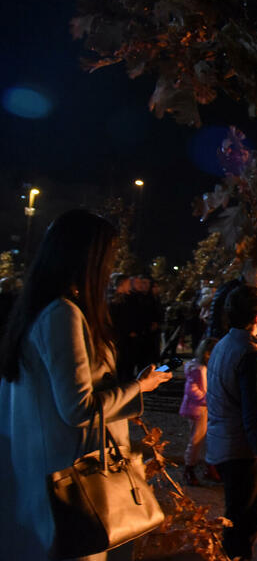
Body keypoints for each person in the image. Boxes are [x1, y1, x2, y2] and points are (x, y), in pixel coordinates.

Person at [0, 210, 172, 560]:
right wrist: (141, 387)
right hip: (70, 477)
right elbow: (78, 407)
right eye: (107, 256)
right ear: (88, 257)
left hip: (49, 469)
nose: (110, 269)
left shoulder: (43, 308)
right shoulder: (62, 313)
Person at [206, 285, 257, 560]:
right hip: (241, 450)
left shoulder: (225, 344)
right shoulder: (248, 355)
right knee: (243, 524)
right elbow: (254, 415)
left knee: (235, 517)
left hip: (225, 442)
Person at [180, 336, 219, 486]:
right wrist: (208, 399)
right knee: (196, 440)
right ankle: (189, 469)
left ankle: (210, 466)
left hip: (209, 408)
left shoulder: (207, 367)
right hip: (199, 409)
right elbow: (192, 390)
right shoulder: (198, 369)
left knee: (212, 438)